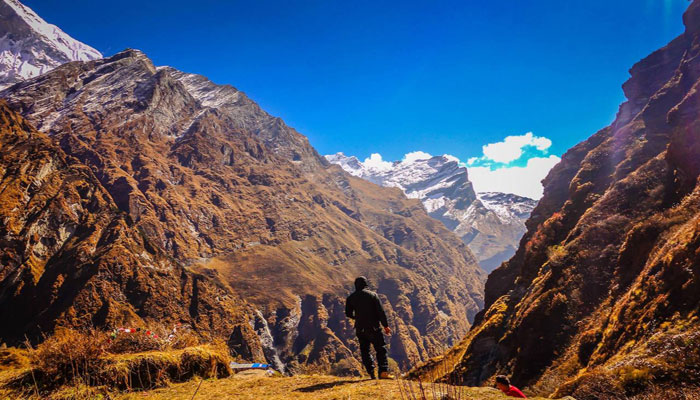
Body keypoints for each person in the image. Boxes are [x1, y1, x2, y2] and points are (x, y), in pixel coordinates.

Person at [345, 276, 392, 379]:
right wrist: (386, 326)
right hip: (373, 327)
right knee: (380, 349)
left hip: (360, 329)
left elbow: (348, 313)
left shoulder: (351, 298)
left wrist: (357, 317)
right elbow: (381, 312)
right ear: (366, 284)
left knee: (365, 351)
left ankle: (371, 373)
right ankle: (383, 372)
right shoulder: (373, 295)